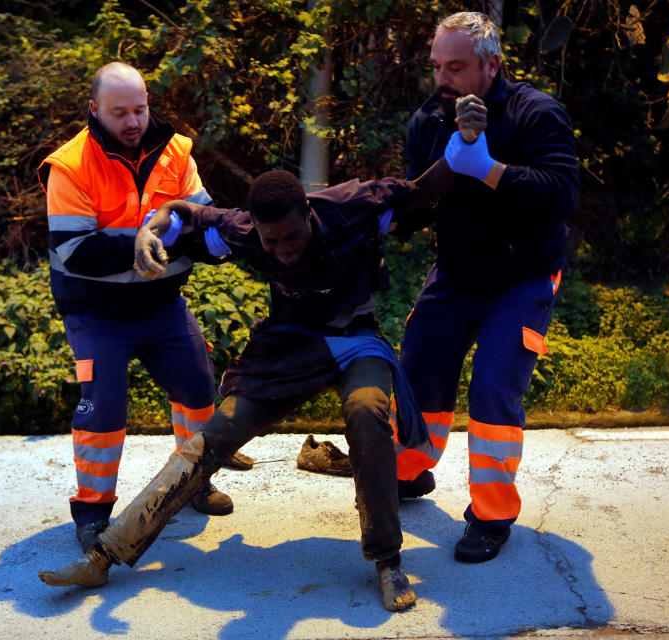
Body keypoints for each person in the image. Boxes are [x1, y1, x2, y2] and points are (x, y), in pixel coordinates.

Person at [37, 164, 460, 611]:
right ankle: (104, 555)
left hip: (356, 340)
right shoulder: (243, 228)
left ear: (308, 215)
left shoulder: (353, 207)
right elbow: (182, 211)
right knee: (210, 440)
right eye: (270, 241)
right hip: (287, 349)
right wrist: (148, 231)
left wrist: (466, 142)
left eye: (291, 237)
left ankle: (387, 561)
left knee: (367, 411)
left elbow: (425, 189)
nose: (282, 250)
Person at [37, 61, 251, 557]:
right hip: (96, 313)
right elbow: (74, 250)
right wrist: (135, 243)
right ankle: (92, 514)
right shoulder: (69, 166)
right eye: (119, 113)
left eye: (140, 108)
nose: (133, 121)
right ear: (94, 110)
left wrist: (211, 237)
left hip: (162, 305)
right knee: (104, 410)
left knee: (199, 391)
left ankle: (192, 483)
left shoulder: (176, 152)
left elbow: (199, 217)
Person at [393, 11, 579, 564]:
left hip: (523, 276)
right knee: (419, 365)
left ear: (491, 65)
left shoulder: (536, 113)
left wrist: (487, 168)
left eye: (456, 67)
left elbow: (562, 194)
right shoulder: (429, 120)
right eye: (436, 66)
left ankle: (492, 515)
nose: (443, 78)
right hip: (457, 272)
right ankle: (408, 472)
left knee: (495, 386)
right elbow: (418, 208)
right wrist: (391, 210)